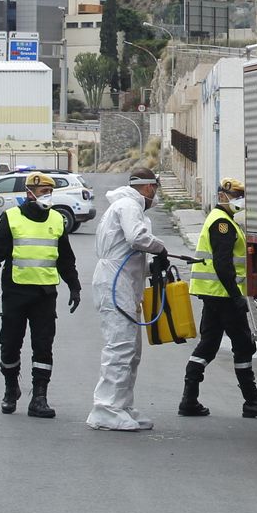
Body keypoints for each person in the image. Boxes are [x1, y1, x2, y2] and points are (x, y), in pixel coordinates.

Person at [0, 171, 81, 418]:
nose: (46, 196)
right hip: (16, 292)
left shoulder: (57, 220)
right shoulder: (12, 218)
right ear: (29, 194)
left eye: (49, 192)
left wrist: (75, 286)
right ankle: (10, 388)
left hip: (45, 295)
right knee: (10, 344)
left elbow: (65, 259)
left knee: (43, 346)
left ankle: (39, 398)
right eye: (41, 192)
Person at [179, 178, 257, 419]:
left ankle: (189, 400)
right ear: (222, 197)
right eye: (235, 195)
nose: (239, 200)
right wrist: (235, 296)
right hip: (222, 293)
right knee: (244, 345)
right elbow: (222, 264)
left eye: (241, 195)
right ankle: (252, 401)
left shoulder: (224, 219)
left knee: (207, 345)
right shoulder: (222, 223)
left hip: (213, 293)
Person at [87, 167, 169, 431]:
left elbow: (126, 253)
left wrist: (151, 268)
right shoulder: (129, 205)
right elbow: (137, 238)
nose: (155, 194)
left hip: (122, 283)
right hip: (115, 285)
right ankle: (105, 408)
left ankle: (121, 404)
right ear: (147, 187)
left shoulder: (125, 206)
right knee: (119, 348)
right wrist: (160, 247)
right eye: (154, 189)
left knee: (131, 352)